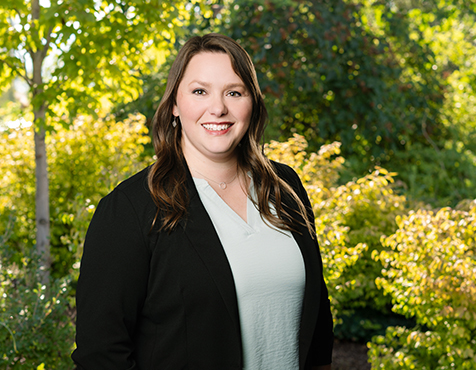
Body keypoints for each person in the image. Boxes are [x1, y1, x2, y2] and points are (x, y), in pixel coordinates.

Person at [72, 33, 333, 370]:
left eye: (234, 92)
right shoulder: (129, 209)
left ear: (252, 103)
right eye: (200, 91)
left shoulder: (285, 188)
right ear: (175, 105)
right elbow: (100, 354)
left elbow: (318, 322)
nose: (218, 108)